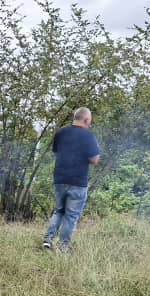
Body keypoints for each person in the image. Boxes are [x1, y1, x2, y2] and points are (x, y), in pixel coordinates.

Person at [43, 107, 101, 252]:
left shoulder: (61, 132)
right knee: (71, 216)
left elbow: (56, 152)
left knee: (59, 211)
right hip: (77, 182)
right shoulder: (88, 136)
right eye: (90, 120)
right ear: (86, 120)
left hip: (60, 178)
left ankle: (48, 240)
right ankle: (64, 246)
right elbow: (94, 160)